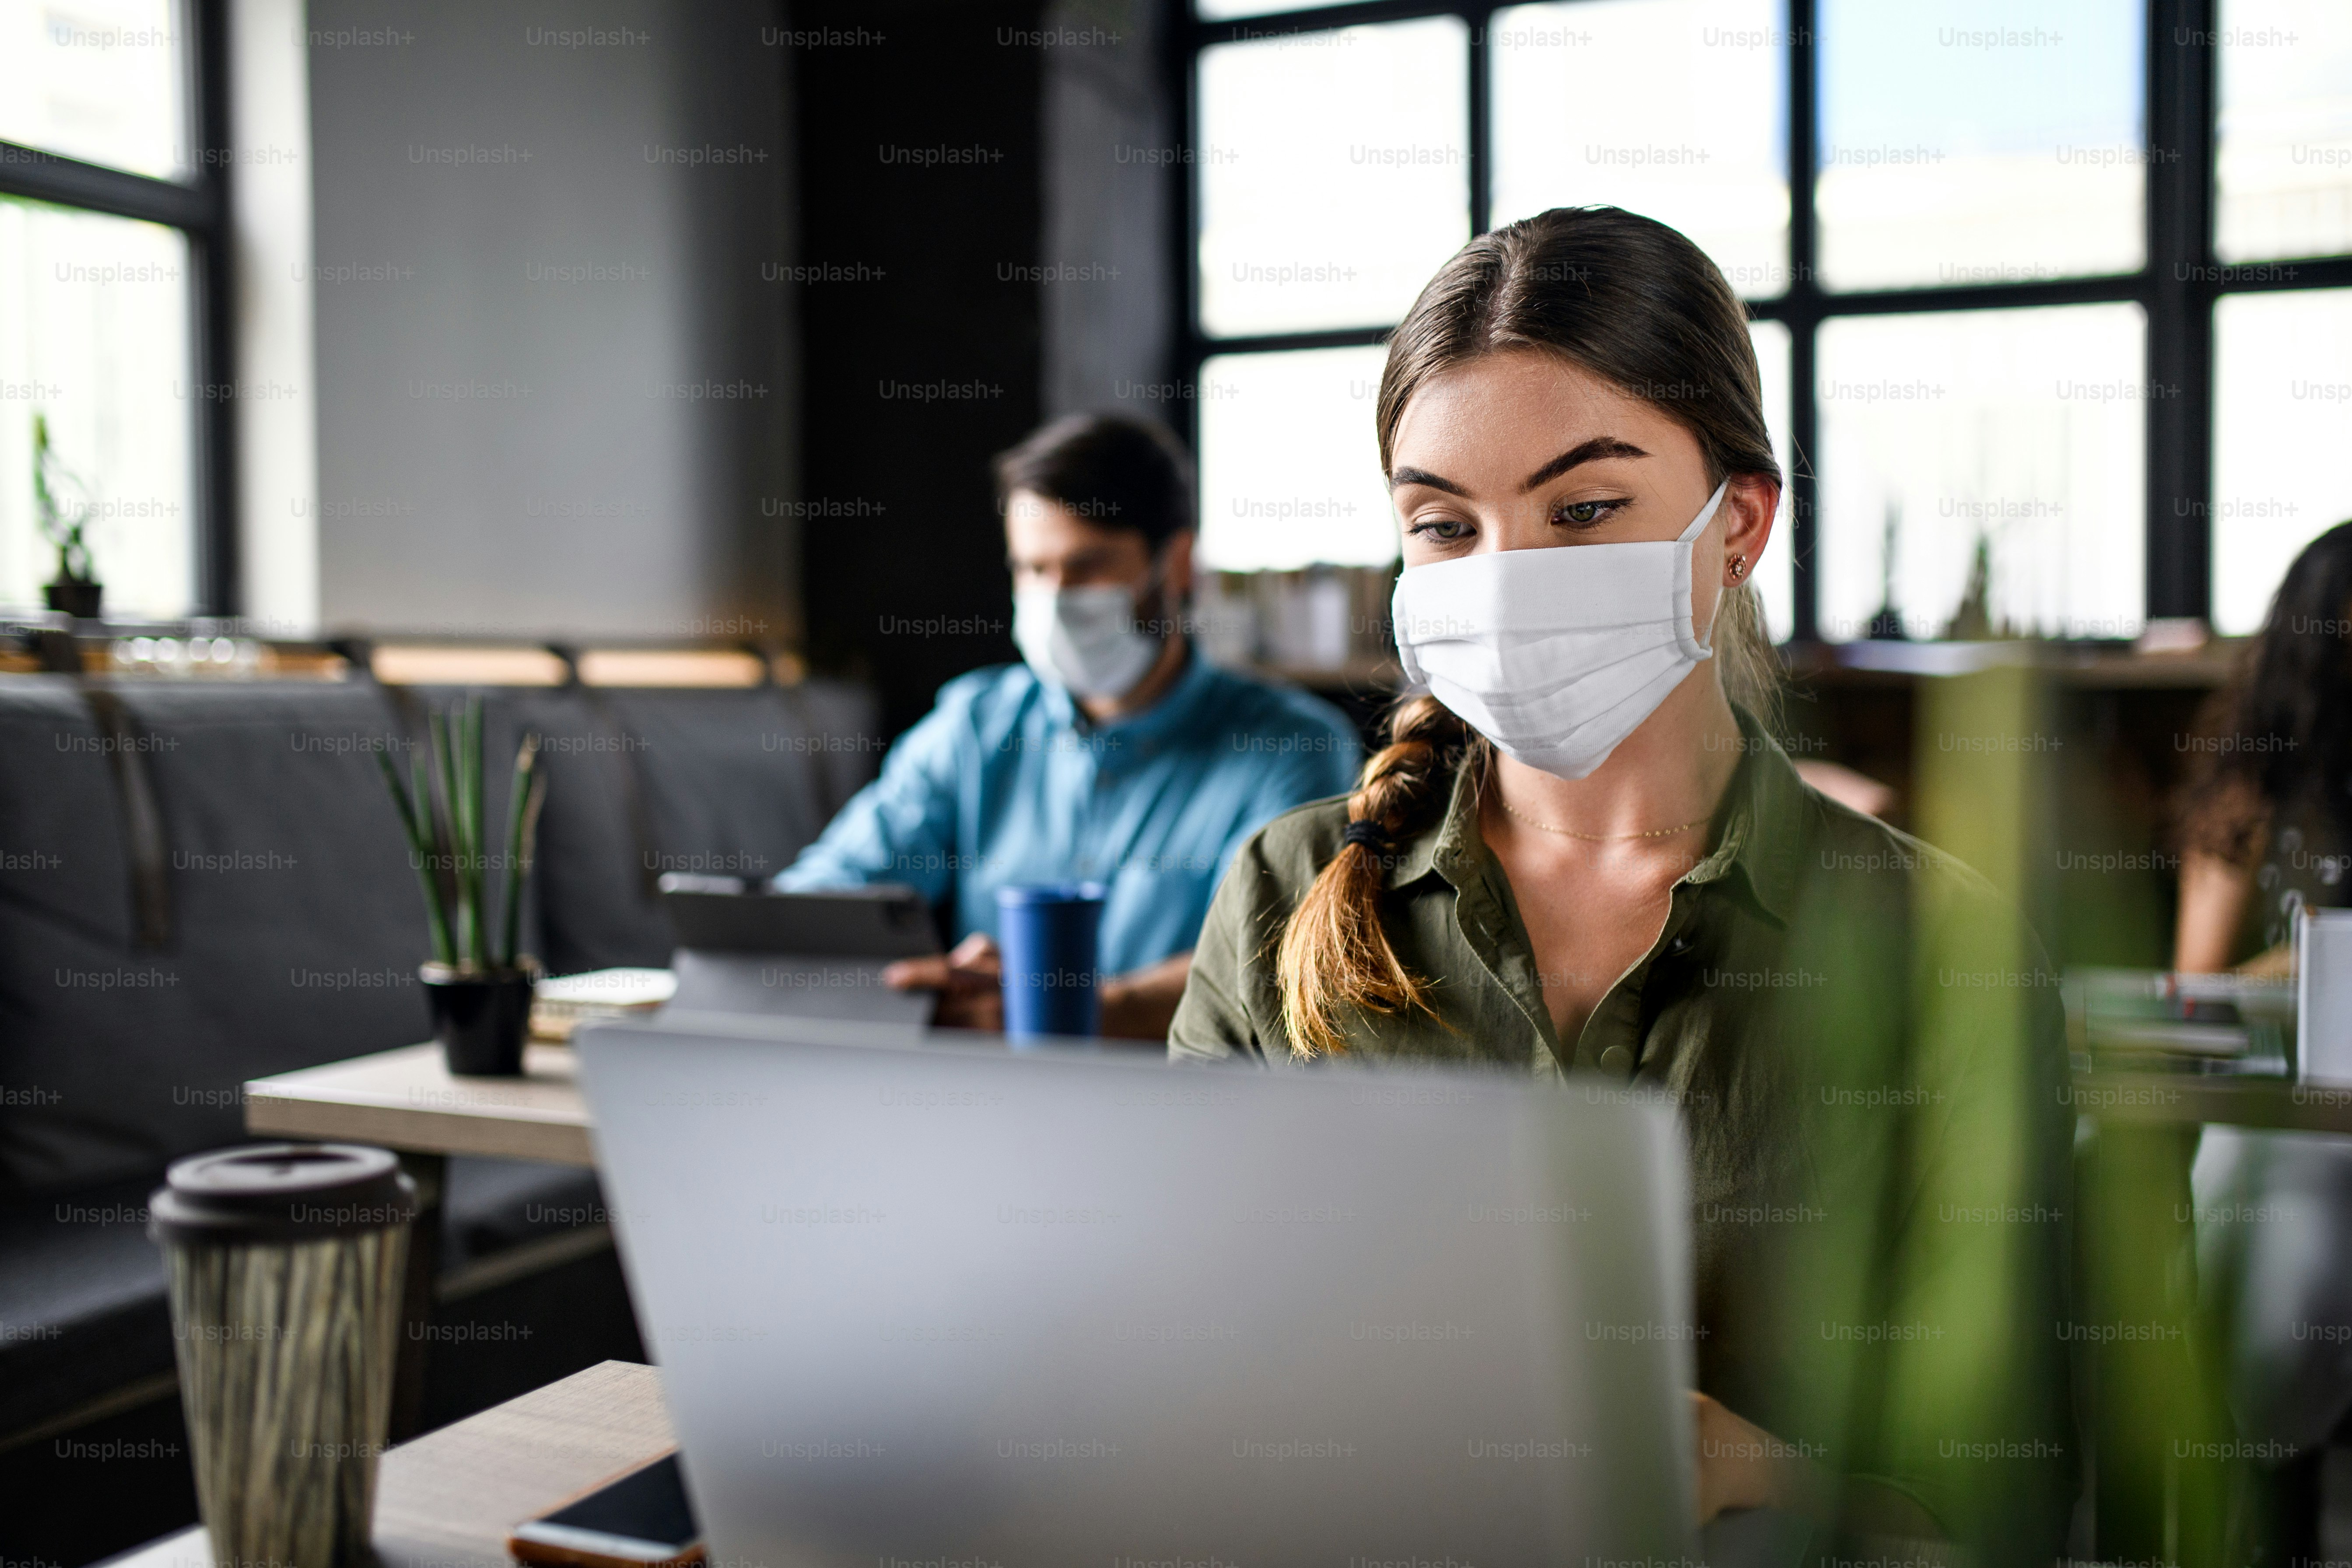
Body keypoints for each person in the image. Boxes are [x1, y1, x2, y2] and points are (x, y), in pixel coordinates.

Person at [1169, 208, 2075, 1556]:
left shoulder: (1935, 943)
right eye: (1443, 523)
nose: (1509, 579)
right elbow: (1177, 1364)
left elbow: (2010, 1493)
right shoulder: (1286, 889)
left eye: (1584, 509)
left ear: (1740, 525)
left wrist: (1759, 1466)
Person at [776, 413, 1360, 1039]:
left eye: (1087, 567)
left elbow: (1279, 965)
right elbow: (828, 895)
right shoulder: (974, 726)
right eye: (1032, 570)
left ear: (1178, 563)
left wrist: (1060, 1013)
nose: (1055, 598)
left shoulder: (1292, 747)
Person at [2173, 522, 2352, 1565]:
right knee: (2280, 1266)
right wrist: (2307, 967)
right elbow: (2196, 992)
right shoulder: (2255, 787)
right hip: (2290, 1107)